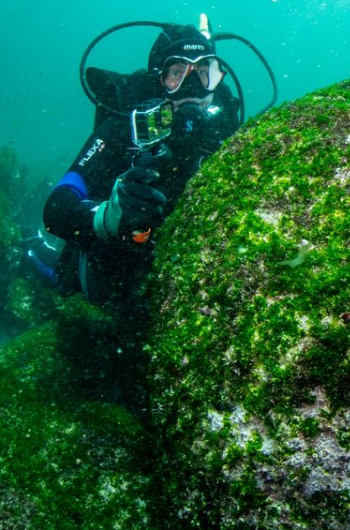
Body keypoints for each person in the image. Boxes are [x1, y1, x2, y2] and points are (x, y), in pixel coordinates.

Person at [42, 22, 241, 314]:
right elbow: (57, 207)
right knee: (63, 281)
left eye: (203, 72)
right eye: (177, 72)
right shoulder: (124, 128)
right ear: (157, 79)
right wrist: (105, 217)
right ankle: (33, 252)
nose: (192, 86)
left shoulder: (223, 126)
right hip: (117, 268)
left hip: (178, 271)